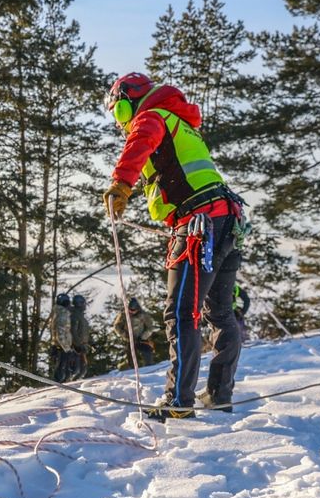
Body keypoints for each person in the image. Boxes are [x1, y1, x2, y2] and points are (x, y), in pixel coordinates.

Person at [102, 72, 245, 417]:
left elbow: (139, 143)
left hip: (198, 222)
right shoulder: (183, 124)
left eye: (118, 113)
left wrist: (120, 185)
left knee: (181, 312)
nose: (121, 123)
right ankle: (219, 394)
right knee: (221, 313)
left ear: (128, 103)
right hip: (227, 220)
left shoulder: (151, 117)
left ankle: (179, 401)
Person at [115, 296, 156, 366]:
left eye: (133, 310)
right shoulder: (124, 315)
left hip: (142, 339)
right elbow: (117, 326)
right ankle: (132, 369)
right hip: (130, 339)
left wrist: (143, 336)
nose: (131, 311)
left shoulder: (143, 315)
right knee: (130, 355)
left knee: (147, 352)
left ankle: (149, 366)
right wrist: (125, 335)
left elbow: (150, 328)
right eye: (130, 310)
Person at [48, 293, 75, 380]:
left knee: (64, 369)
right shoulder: (62, 314)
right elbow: (60, 333)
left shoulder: (59, 313)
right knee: (61, 369)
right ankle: (58, 386)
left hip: (61, 346)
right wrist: (67, 348)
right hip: (61, 347)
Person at [69, 294, 92, 379]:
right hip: (76, 347)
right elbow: (73, 331)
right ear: (79, 304)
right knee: (77, 369)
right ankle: (70, 385)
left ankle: (75, 385)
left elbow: (83, 331)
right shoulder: (75, 316)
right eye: (83, 303)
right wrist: (78, 345)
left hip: (82, 345)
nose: (85, 305)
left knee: (82, 369)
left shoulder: (80, 315)